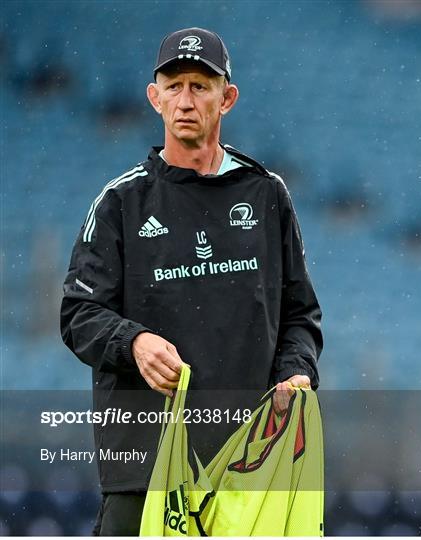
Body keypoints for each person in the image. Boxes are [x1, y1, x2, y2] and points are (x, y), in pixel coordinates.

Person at [60, 27, 323, 536]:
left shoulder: (267, 195)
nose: (186, 100)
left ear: (227, 98)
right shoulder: (121, 202)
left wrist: (295, 371)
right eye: (174, 85)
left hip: (247, 466)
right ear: (153, 98)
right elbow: (78, 314)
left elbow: (300, 315)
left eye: (201, 86)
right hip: (145, 463)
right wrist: (132, 341)